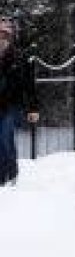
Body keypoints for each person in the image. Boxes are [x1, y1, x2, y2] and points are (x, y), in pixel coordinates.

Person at [0, 19, 38, 187]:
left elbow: (29, 85)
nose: (2, 39)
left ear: (10, 38)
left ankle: (11, 174)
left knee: (5, 137)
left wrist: (33, 108)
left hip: (10, 105)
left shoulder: (19, 58)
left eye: (5, 36)